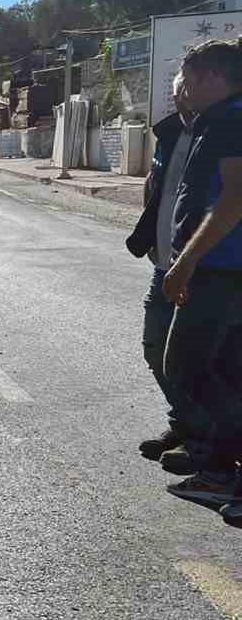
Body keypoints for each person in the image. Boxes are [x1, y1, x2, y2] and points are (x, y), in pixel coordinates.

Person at [156, 39, 242, 516]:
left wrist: (185, 262)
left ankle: (223, 472)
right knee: (227, 371)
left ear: (212, 77)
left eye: (189, 81)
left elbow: (233, 200)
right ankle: (223, 474)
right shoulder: (218, 120)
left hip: (222, 269)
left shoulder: (231, 120)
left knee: (186, 364)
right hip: (222, 267)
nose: (184, 91)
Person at [126, 73, 198, 466]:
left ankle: (207, 441)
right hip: (166, 263)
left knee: (198, 356)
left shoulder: (224, 134)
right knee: (157, 348)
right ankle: (185, 423)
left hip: (207, 267)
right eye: (176, 93)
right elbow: (157, 188)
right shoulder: (169, 133)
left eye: (187, 89)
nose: (180, 99)